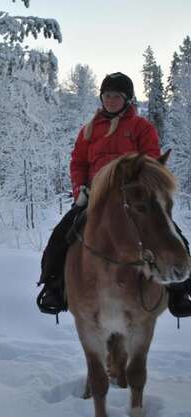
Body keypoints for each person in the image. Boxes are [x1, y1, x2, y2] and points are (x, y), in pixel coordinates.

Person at [37, 72, 191, 318]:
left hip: (134, 196)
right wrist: (80, 190)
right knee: (61, 235)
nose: (109, 100)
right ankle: (53, 286)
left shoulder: (142, 128)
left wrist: (142, 188)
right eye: (106, 95)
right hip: (95, 197)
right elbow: (78, 163)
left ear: (127, 99)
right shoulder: (88, 130)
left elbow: (151, 162)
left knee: (170, 233)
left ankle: (180, 290)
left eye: (115, 96)